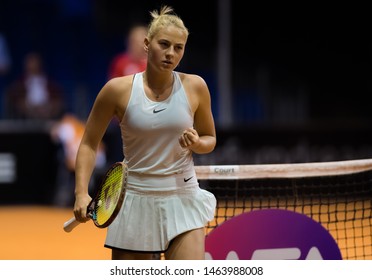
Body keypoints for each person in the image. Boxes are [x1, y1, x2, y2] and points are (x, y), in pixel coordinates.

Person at [73, 5, 217, 260]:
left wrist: (198, 143)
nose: (171, 53)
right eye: (164, 44)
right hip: (134, 200)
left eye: (178, 47)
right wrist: (81, 192)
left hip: (182, 196)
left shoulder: (196, 87)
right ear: (147, 44)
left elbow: (210, 139)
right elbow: (88, 144)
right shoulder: (116, 90)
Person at [5, 52, 64, 120]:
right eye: (30, 62)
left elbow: (58, 99)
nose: (33, 65)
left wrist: (47, 108)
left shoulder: (51, 84)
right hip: (28, 111)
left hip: (47, 110)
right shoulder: (19, 85)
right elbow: (15, 100)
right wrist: (32, 108)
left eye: (35, 62)